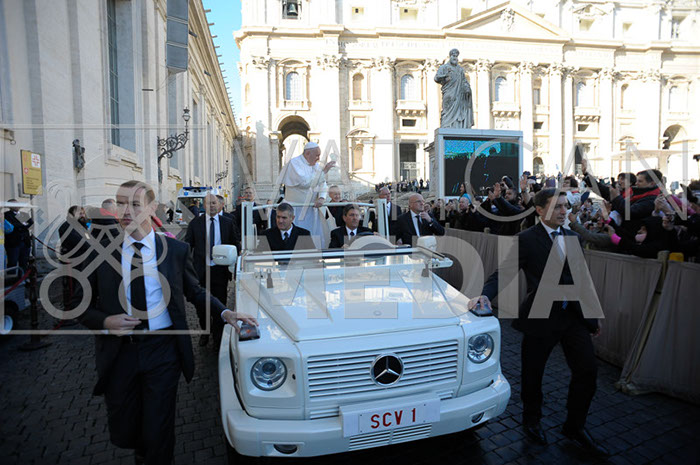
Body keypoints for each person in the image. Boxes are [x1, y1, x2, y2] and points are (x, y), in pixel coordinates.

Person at [76, 180, 256, 465]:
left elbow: (195, 291)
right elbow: (79, 304)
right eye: (121, 203)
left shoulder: (174, 250)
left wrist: (225, 313)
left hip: (162, 351)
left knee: (159, 428)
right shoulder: (100, 252)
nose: (126, 211)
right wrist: (105, 321)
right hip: (120, 353)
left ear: (152, 208)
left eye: (135, 204)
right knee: (127, 428)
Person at [472, 188, 606, 455]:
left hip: (573, 318)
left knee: (588, 371)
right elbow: (504, 273)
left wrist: (592, 318)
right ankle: (532, 420)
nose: (564, 211)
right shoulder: (526, 239)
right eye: (557, 206)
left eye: (566, 206)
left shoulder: (573, 238)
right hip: (540, 317)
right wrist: (485, 295)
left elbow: (582, 281)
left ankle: (575, 427)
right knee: (533, 374)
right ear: (540, 210)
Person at [184, 194, 239, 348]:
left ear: (219, 205)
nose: (212, 206)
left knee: (220, 304)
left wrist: (234, 264)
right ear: (204, 205)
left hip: (220, 271)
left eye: (214, 203)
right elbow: (188, 245)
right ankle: (205, 332)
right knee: (201, 306)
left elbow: (235, 244)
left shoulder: (227, 222)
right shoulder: (195, 223)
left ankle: (217, 336)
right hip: (201, 271)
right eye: (208, 203)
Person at [280, 141, 336, 248]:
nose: (318, 158)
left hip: (312, 209)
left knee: (314, 237)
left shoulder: (316, 166)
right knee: (296, 239)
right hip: (296, 209)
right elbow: (304, 183)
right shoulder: (294, 163)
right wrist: (324, 172)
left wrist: (321, 197)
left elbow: (323, 183)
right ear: (307, 153)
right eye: (317, 155)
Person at [434, 48, 474, 129]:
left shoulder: (460, 69)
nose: (455, 58)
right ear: (450, 57)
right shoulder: (444, 67)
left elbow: (464, 81)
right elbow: (436, 78)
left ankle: (458, 127)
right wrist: (445, 76)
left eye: (456, 56)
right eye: (453, 56)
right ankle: (446, 126)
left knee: (459, 112)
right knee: (447, 111)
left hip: (459, 95)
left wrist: (467, 88)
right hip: (449, 93)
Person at [4, 199, 33, 270]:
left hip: (25, 242)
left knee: (24, 262)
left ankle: (23, 276)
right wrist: (23, 225)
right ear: (9, 206)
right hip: (13, 243)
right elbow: (12, 226)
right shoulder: (6, 215)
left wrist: (21, 225)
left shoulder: (24, 214)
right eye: (14, 204)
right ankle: (12, 276)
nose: (16, 206)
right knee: (12, 262)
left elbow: (31, 223)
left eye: (17, 204)